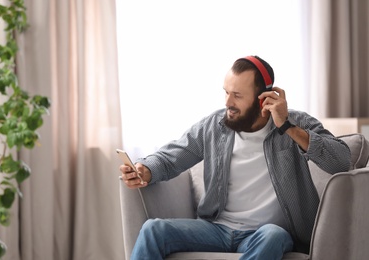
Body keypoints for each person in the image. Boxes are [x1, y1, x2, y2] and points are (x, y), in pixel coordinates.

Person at [119, 55, 351, 260]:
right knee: (153, 230)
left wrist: (287, 126)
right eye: (226, 92)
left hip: (269, 232)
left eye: (237, 95)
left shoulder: (296, 124)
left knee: (272, 236)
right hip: (216, 229)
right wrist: (145, 169)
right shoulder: (214, 125)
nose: (228, 103)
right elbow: (172, 157)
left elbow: (341, 161)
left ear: (264, 99)